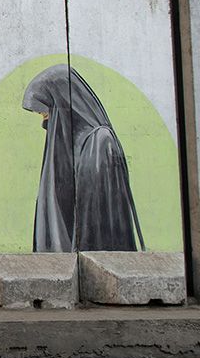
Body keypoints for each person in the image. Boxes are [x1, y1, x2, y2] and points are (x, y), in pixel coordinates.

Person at [23, 64, 143, 253]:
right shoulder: (71, 149)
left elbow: (101, 230)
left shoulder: (101, 142)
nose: (45, 123)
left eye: (47, 114)